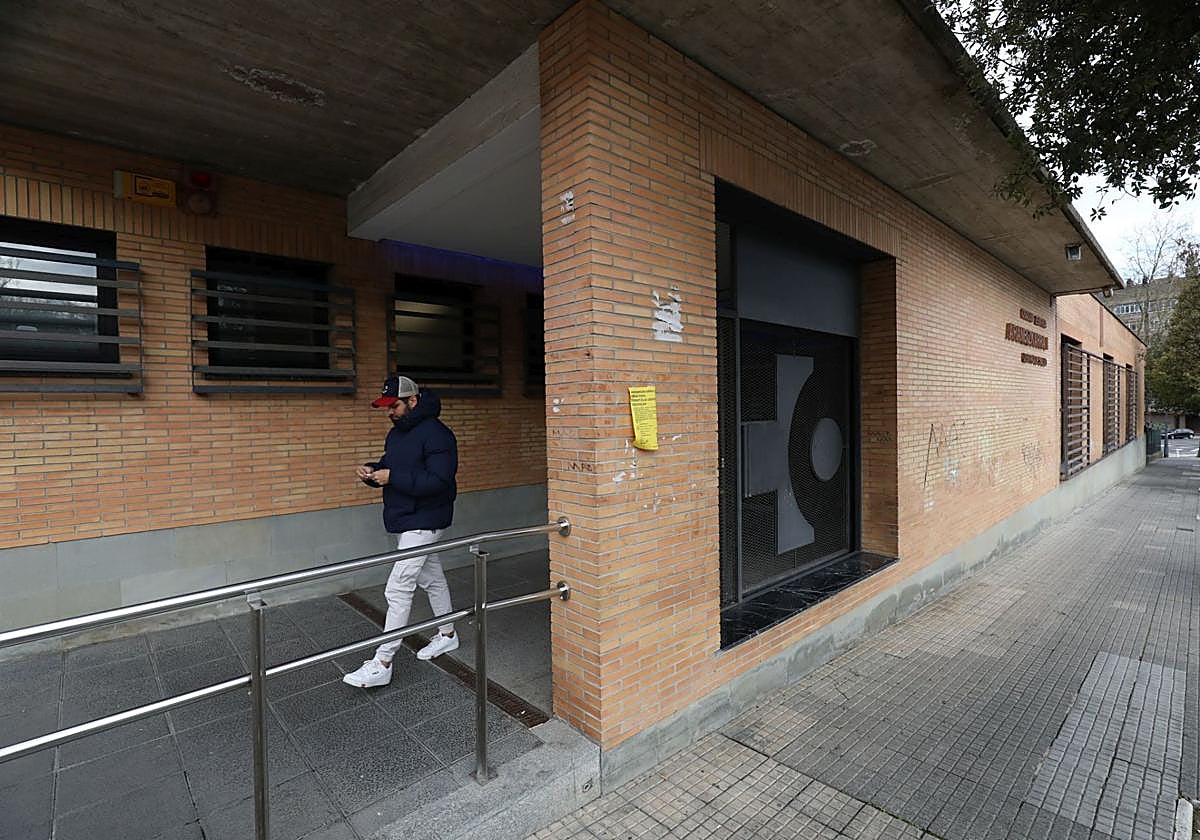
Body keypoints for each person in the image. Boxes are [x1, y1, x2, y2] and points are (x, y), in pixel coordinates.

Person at [343, 374, 460, 688]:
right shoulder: (397, 434)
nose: (389, 412)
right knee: (431, 577)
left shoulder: (438, 435)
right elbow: (392, 465)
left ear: (413, 401)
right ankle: (447, 634)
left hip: (424, 520)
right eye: (386, 406)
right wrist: (373, 471)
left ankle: (383, 661)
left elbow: (439, 481)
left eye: (394, 405)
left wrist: (391, 477)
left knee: (398, 587)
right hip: (406, 518)